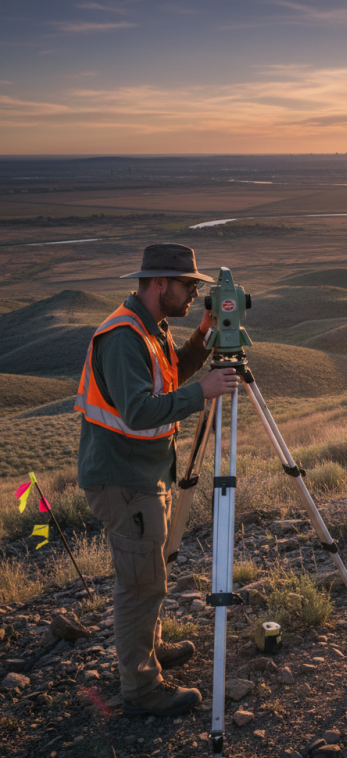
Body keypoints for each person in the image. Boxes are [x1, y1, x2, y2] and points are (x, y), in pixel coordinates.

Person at [76, 243, 239, 717]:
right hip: (123, 479)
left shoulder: (153, 329)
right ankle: (141, 689)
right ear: (159, 284)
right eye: (189, 286)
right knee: (139, 583)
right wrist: (201, 393)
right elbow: (139, 410)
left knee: (151, 572)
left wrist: (206, 332)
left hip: (145, 473)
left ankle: (151, 648)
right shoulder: (124, 337)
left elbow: (172, 375)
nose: (194, 295)